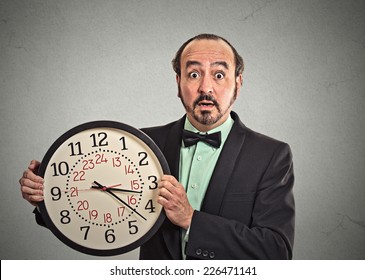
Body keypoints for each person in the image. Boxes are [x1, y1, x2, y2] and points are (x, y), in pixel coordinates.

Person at [19, 33, 295, 260]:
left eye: (219, 75)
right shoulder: (141, 144)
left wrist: (191, 220)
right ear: (179, 83)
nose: (206, 87)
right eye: (194, 74)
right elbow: (99, 202)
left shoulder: (271, 155)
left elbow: (276, 251)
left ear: (238, 83)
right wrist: (47, 196)